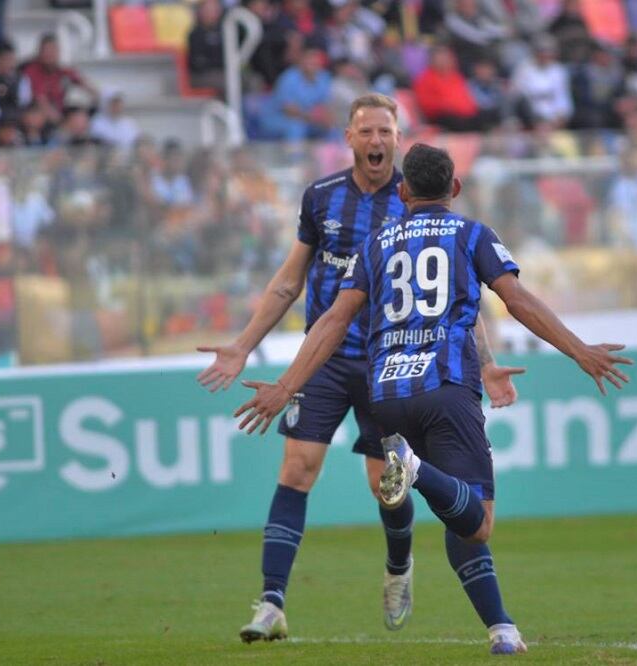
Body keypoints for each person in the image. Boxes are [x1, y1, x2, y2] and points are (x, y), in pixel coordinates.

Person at [233, 143, 633, 654]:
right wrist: (578, 350)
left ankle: (502, 629)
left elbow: (333, 319)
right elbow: (516, 300)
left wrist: (287, 386)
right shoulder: (471, 234)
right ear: (456, 189)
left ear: (403, 191)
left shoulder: (375, 243)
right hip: (445, 389)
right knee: (478, 522)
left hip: (387, 396)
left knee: (454, 510)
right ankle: (417, 472)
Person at [197, 94, 523, 643]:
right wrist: (243, 345)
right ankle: (272, 602)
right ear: (348, 138)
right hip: (324, 360)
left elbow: (452, 297)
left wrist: (485, 364)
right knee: (297, 468)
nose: (375, 141)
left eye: (385, 132)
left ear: (398, 139)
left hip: (393, 362)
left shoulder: (416, 200)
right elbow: (288, 281)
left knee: (383, 484)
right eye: (366, 131)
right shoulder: (321, 198)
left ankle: (399, 567)